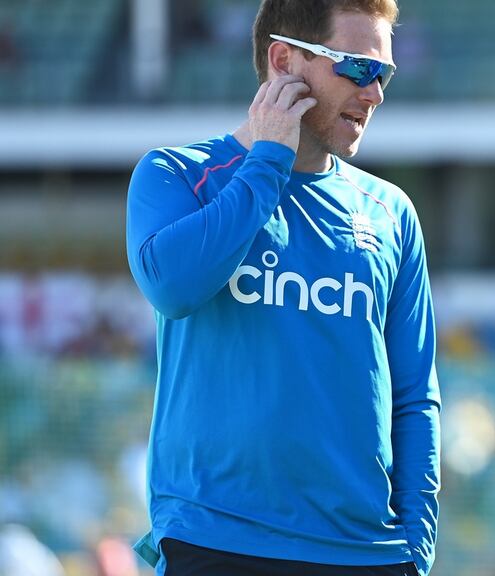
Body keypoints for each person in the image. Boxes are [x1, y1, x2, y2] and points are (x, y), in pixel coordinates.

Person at [125, 1, 439, 575]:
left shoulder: (391, 212)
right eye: (359, 69)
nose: (376, 95)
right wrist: (269, 157)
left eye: (385, 73)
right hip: (217, 543)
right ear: (283, 61)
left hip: (363, 554)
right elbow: (173, 287)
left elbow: (414, 397)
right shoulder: (175, 175)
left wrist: (416, 546)